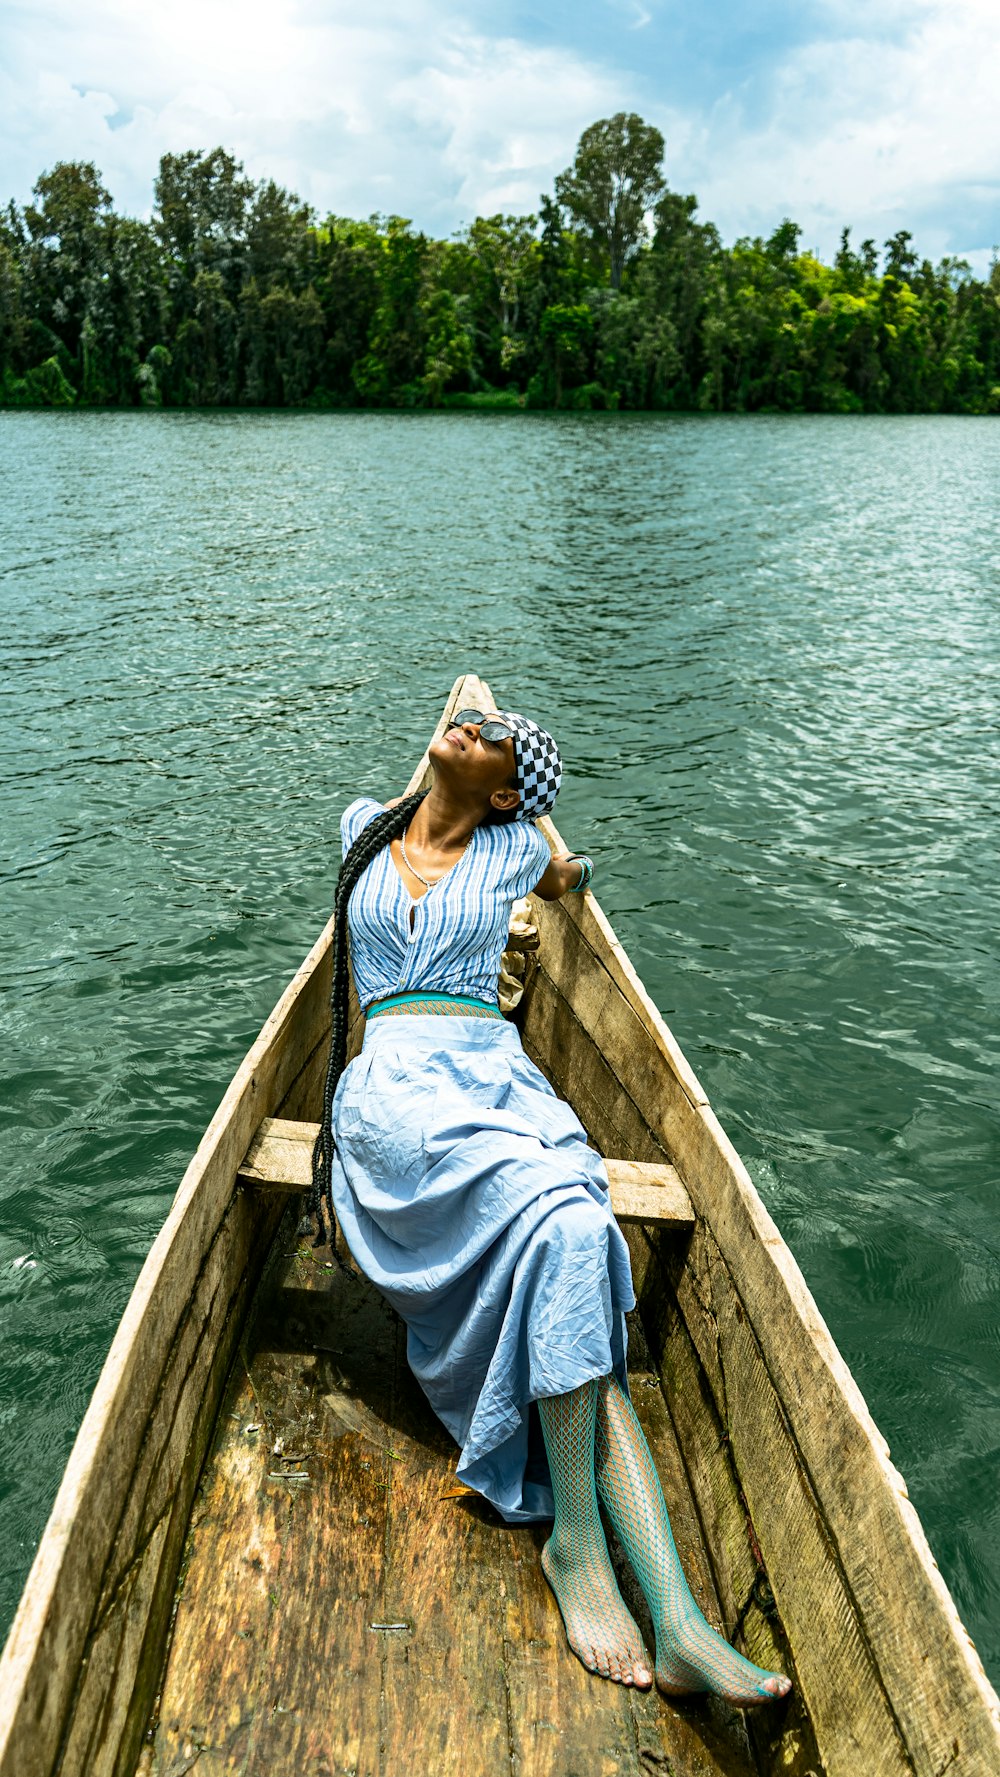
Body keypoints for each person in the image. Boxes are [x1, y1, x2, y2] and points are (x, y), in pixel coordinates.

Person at [310, 704, 791, 1703]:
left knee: (574, 1222)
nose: (469, 719)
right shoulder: (364, 822)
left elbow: (568, 877)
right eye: (464, 718)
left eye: (492, 732)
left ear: (505, 790)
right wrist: (464, 768)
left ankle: (652, 1598)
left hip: (495, 1072)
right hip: (393, 1090)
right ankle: (629, 1580)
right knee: (560, 1224)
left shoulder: (519, 847)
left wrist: (554, 845)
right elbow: (426, 798)